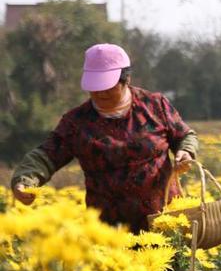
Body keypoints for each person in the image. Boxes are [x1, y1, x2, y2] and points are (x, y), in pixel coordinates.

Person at [10, 43, 198, 233]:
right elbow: (46, 155)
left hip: (166, 223)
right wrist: (25, 180)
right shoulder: (77, 122)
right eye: (95, 87)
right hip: (108, 232)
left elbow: (184, 135)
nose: (100, 93)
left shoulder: (154, 105)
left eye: (108, 87)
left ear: (127, 79)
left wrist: (185, 151)